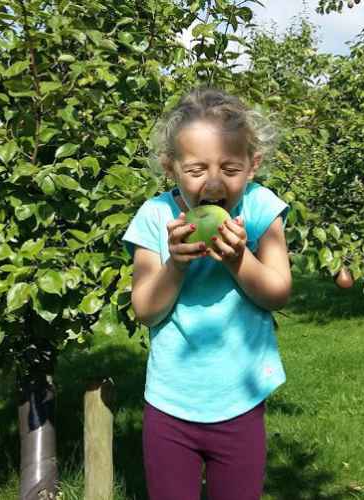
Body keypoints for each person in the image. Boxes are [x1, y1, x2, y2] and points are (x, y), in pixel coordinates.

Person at [124, 87, 293, 500]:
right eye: (197, 170)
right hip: (169, 403)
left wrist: (238, 260)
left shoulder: (258, 209)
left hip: (240, 399)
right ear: (171, 168)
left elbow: (278, 292)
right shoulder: (156, 217)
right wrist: (176, 264)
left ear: (253, 166)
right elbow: (145, 310)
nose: (214, 182)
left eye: (230, 169)